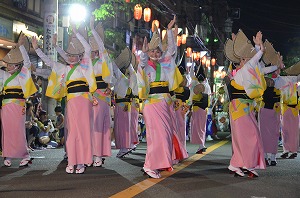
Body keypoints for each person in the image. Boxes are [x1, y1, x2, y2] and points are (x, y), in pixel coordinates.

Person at [32, 22, 97, 174]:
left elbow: (87, 49)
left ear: (80, 56)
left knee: (83, 132)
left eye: (75, 55)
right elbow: (48, 62)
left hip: (85, 102)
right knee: (73, 132)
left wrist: (77, 33)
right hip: (72, 103)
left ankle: (81, 162)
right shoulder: (63, 69)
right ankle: (73, 161)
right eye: (69, 55)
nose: (71, 57)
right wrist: (37, 48)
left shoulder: (84, 66)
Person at [225, 30, 276, 177]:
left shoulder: (249, 71)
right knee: (249, 137)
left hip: (243, 108)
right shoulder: (242, 71)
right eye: (245, 59)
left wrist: (260, 49)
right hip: (240, 108)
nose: (249, 61)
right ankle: (247, 164)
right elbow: (255, 61)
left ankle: (235, 164)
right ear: (241, 61)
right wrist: (259, 48)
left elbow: (264, 68)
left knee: (243, 138)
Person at [138, 15, 182, 178]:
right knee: (157, 135)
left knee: (165, 135)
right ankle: (150, 165)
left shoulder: (165, 63)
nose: (155, 53)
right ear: (148, 52)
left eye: (157, 50)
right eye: (152, 51)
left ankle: (156, 164)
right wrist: (143, 53)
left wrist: (169, 31)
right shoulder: (145, 66)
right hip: (151, 104)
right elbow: (141, 63)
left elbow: (172, 50)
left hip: (165, 103)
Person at [1, 33, 37, 167]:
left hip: (18, 106)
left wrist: (21, 47)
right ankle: (8, 154)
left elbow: (27, 63)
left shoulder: (22, 74)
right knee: (7, 130)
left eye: (11, 65)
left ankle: (25, 155)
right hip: (5, 106)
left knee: (18, 130)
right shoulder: (4, 75)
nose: (9, 66)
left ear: (17, 65)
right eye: (8, 64)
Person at [88, 16, 114, 166]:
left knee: (99, 125)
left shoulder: (104, 59)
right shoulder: (87, 62)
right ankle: (90, 153)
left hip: (101, 96)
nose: (92, 49)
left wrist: (92, 29)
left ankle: (97, 154)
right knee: (89, 125)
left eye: (94, 46)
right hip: (88, 96)